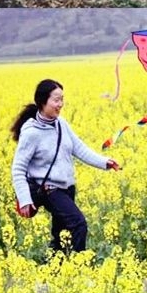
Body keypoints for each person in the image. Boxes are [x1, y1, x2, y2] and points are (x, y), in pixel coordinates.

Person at [11, 79, 120, 253]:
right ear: (42, 102)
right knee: (78, 224)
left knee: (61, 235)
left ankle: (56, 272)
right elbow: (18, 168)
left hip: (67, 188)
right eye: (56, 100)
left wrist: (104, 162)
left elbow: (78, 147)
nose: (60, 104)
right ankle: (79, 268)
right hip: (50, 190)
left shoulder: (61, 124)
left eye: (62, 99)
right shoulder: (31, 133)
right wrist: (24, 199)